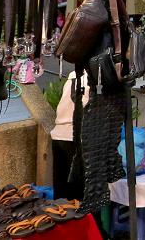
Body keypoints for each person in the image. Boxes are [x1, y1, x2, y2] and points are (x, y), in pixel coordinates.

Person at [50, 70, 88, 200]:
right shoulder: (94, 78)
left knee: (61, 187)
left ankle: (61, 217)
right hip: (75, 138)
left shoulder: (73, 76)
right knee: (77, 192)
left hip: (59, 135)